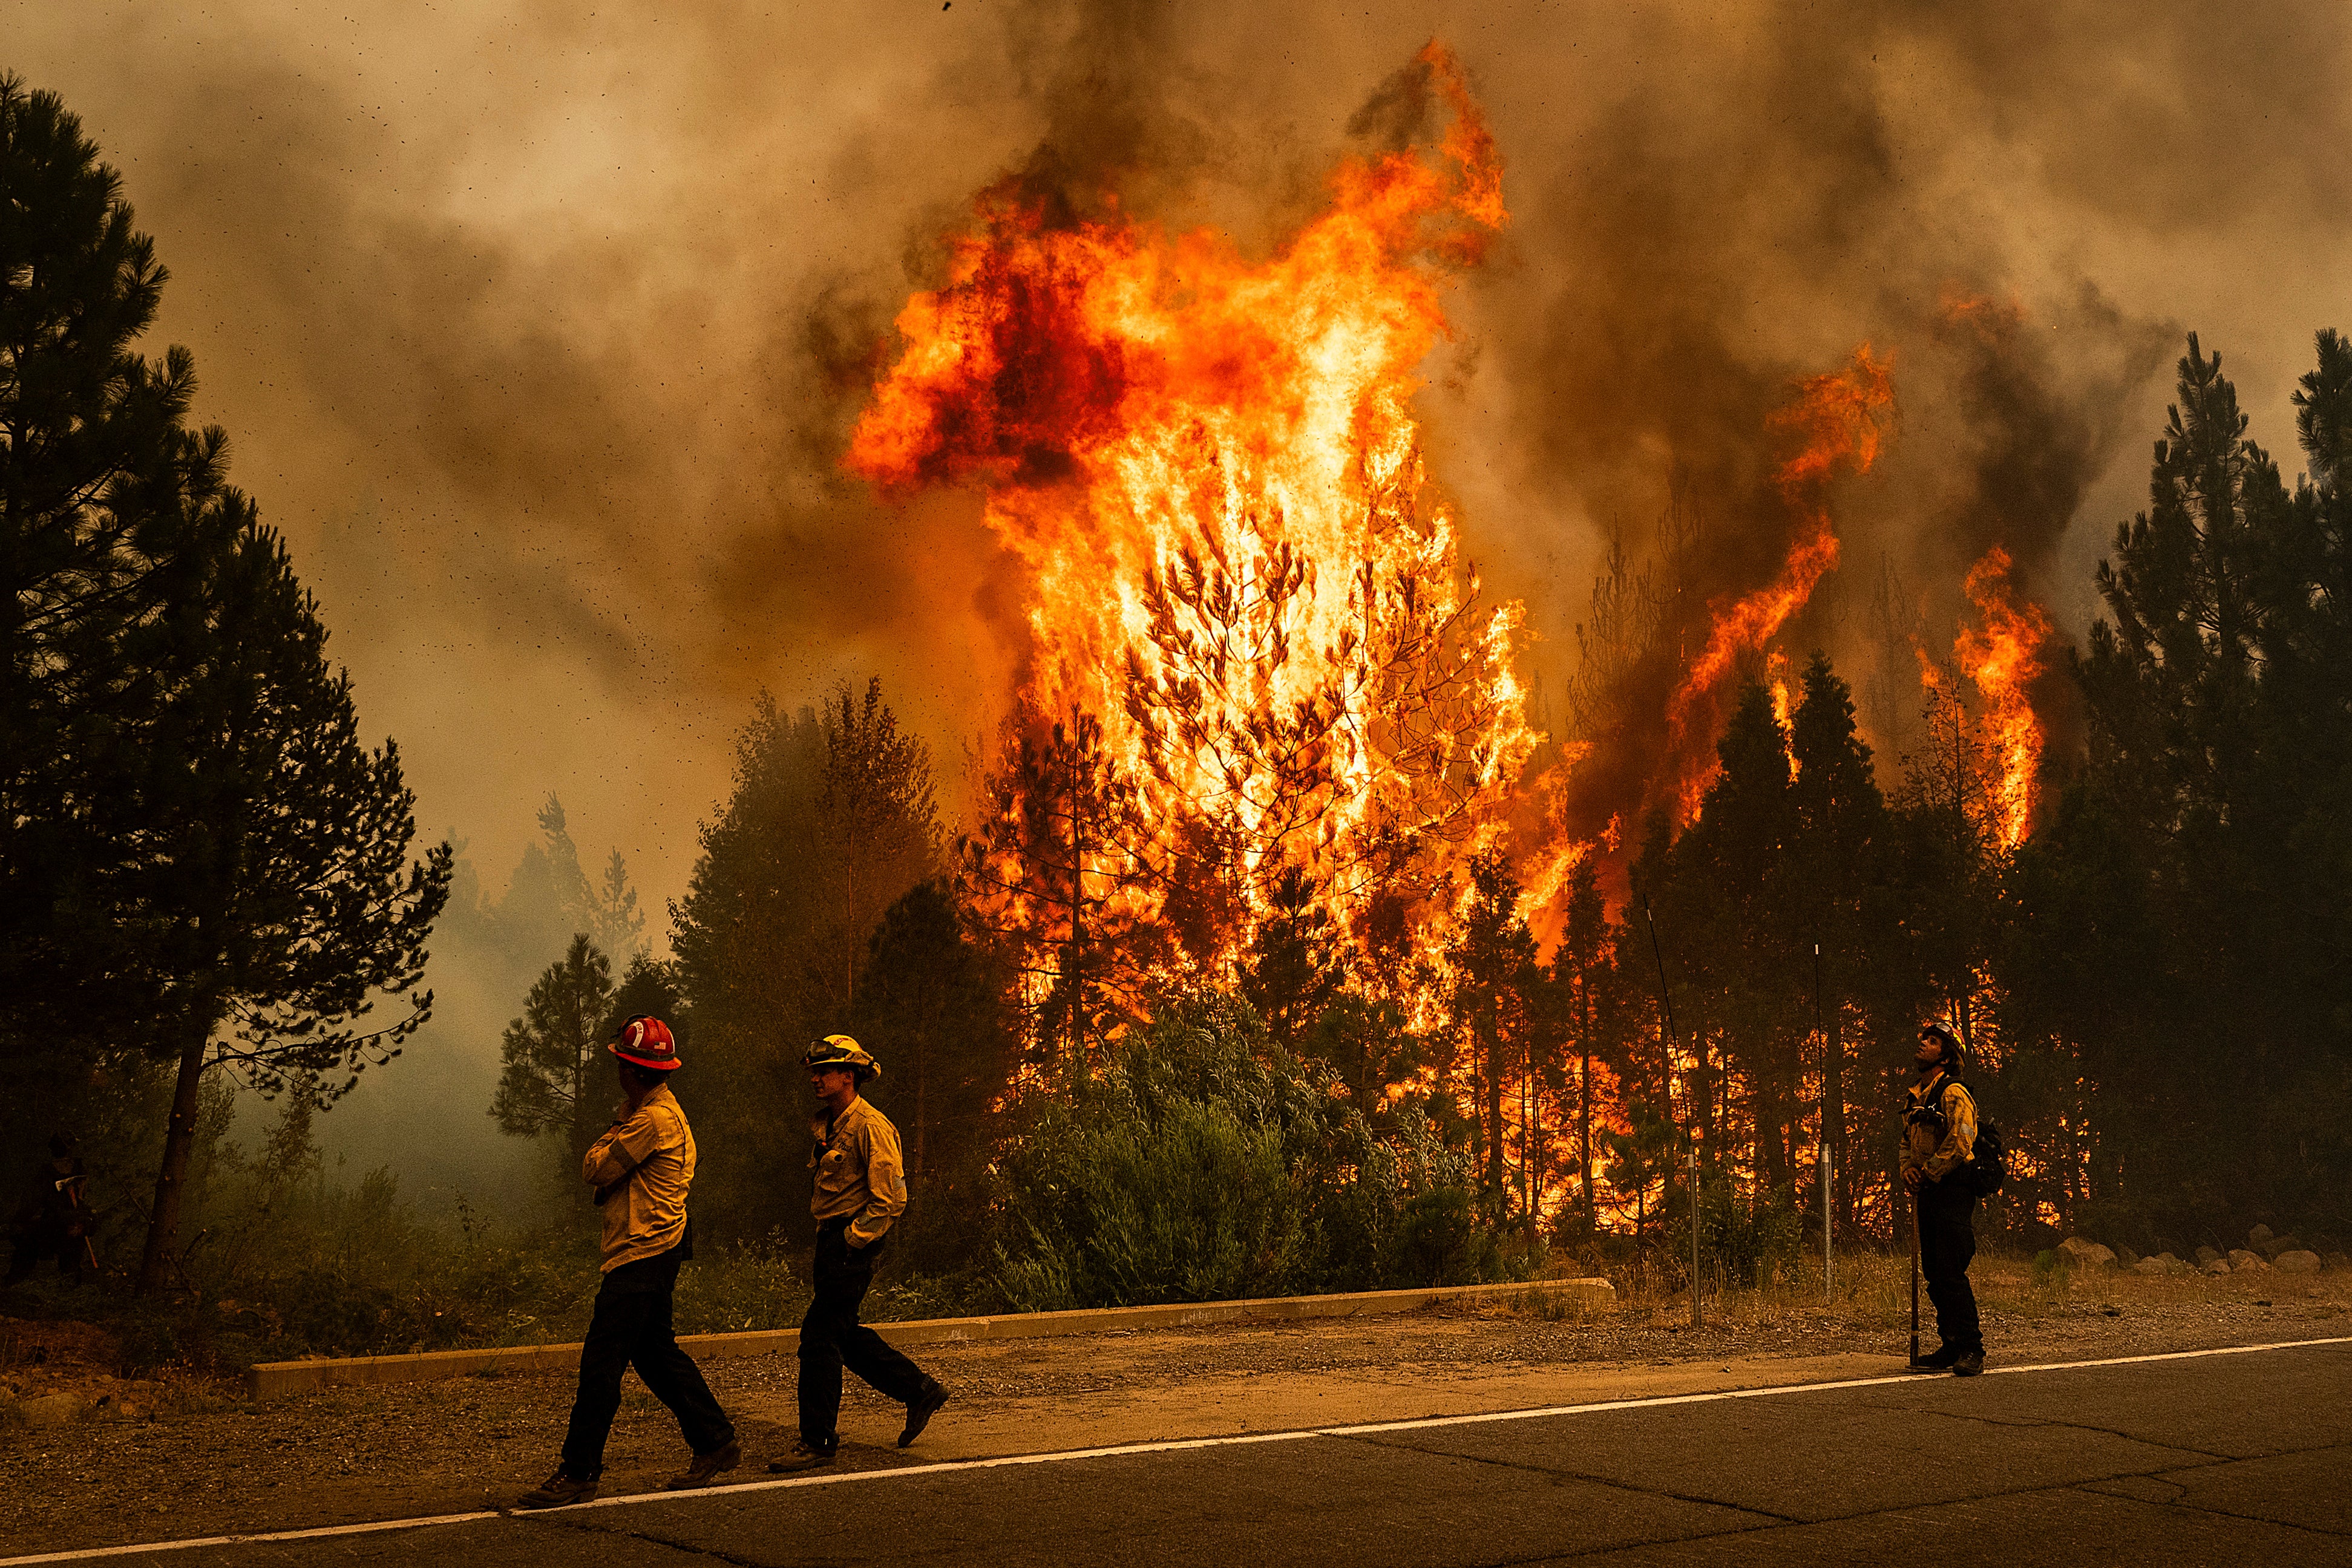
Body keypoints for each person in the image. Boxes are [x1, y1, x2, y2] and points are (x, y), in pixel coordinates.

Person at [518, 1016, 739, 1508]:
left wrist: (616, 1122)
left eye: (620, 1061)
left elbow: (593, 1168)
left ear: (628, 1070)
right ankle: (715, 1441)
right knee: (656, 1355)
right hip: (658, 1248)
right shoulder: (663, 1114)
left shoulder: (648, 1122)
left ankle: (579, 1472)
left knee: (602, 1364)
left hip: (641, 1253)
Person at [768, 1034, 949, 1472]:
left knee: (818, 1337)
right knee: (841, 1332)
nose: (814, 1078)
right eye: (814, 1071)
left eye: (823, 1071)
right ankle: (919, 1389)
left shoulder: (870, 1126)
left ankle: (818, 1442)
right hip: (832, 1239)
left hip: (853, 1243)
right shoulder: (830, 1124)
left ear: (847, 1077)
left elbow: (891, 1198)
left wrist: (852, 1240)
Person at [1902, 1021, 1983, 1376]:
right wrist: (1908, 1169)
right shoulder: (1916, 1095)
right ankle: (1950, 1346)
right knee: (1935, 1273)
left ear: (1947, 1057)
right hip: (1928, 1191)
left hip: (1952, 1191)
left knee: (1951, 1272)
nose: (1923, 1045)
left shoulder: (1953, 1093)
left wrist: (1931, 1171)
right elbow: (1907, 1140)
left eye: (1932, 1042)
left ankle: (1971, 1349)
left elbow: (1962, 1139)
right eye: (1924, 1039)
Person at [5, 1135, 92, 1286]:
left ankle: (11, 1283)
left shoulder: (55, 1171)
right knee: (68, 1256)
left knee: (28, 1246)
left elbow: (34, 1200)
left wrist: (19, 1221)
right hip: (68, 1221)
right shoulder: (75, 1167)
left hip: (64, 1223)